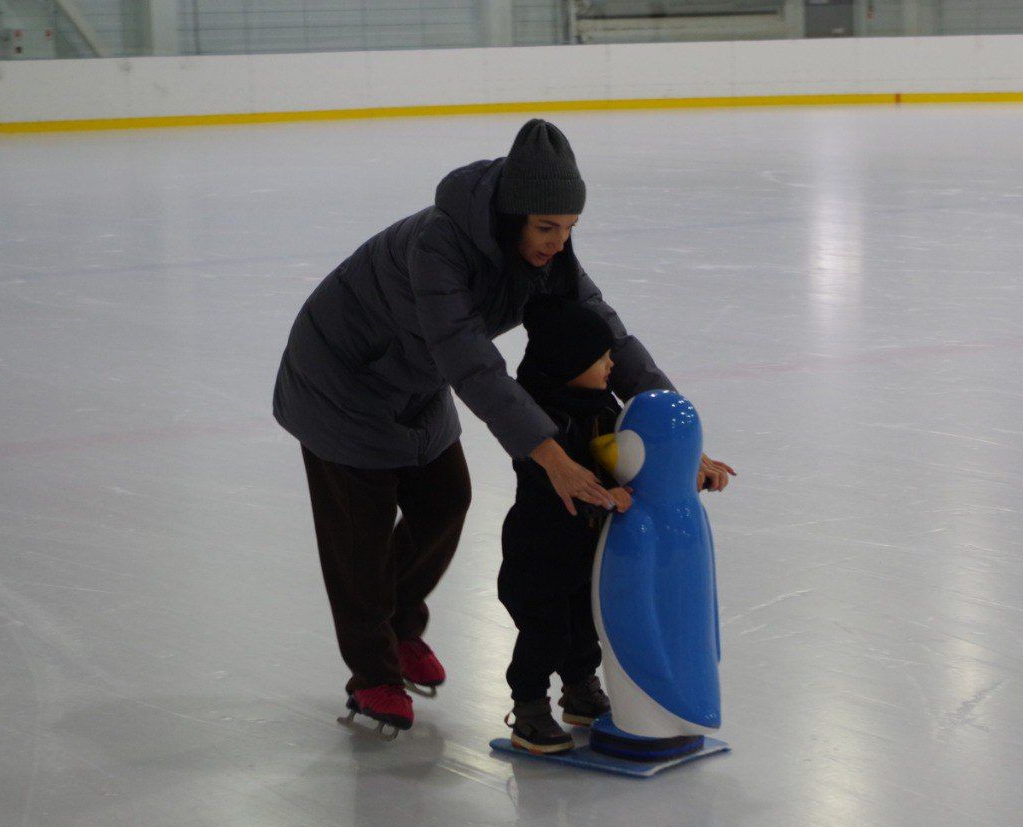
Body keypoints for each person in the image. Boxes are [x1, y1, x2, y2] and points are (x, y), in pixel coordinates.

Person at [272, 118, 736, 735]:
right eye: (546, 228)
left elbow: (608, 336)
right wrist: (551, 455)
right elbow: (471, 361)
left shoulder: (547, 250)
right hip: (338, 380)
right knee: (358, 538)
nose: (558, 242)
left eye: (569, 229)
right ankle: (375, 674)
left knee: (445, 503)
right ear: (513, 216)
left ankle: (399, 622)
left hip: (415, 378)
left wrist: (683, 443)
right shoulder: (437, 247)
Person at [498, 296, 631, 753]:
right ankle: (530, 708)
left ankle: (579, 690)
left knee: (585, 624)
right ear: (568, 362)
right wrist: (606, 494)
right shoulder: (541, 422)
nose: (612, 365)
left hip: (584, 550)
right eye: (601, 358)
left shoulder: (601, 407)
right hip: (540, 554)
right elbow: (562, 478)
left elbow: (633, 455)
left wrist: (688, 468)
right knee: (546, 633)